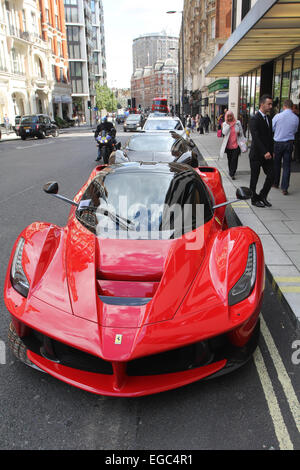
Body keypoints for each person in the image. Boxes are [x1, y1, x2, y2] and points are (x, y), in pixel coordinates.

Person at [249, 94, 274, 208]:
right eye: (268, 104)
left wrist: (271, 151)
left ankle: (262, 196)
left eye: (271, 104)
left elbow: (270, 136)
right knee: (255, 177)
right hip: (256, 154)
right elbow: (256, 137)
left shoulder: (269, 118)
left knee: (272, 175)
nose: (270, 106)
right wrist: (265, 151)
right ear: (262, 104)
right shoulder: (254, 119)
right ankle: (254, 199)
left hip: (267, 154)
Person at [272, 100, 299, 195]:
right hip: (289, 143)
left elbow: (272, 128)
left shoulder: (278, 116)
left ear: (284, 106)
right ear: (291, 107)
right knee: (287, 166)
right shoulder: (295, 118)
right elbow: (295, 130)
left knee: (277, 164)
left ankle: (275, 183)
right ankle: (285, 188)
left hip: (278, 142)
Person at [219, 110, 244, 180]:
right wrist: (228, 125)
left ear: (233, 116)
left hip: (236, 145)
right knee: (230, 159)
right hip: (228, 146)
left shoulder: (237, 123)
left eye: (231, 116)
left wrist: (239, 133)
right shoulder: (224, 124)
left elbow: (242, 133)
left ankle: (232, 173)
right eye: (228, 116)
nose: (230, 118)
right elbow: (224, 132)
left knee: (234, 159)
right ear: (226, 117)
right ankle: (231, 170)